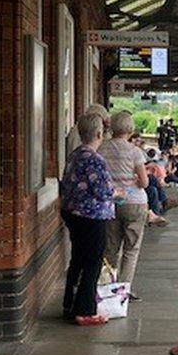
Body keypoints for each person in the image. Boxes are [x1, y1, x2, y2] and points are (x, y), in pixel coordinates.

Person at [60, 113, 116, 326]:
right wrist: (116, 192)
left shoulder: (74, 155)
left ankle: (70, 304)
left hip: (73, 214)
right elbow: (103, 191)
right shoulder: (94, 158)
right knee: (92, 263)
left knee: (77, 260)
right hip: (91, 217)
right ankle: (85, 310)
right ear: (99, 133)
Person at [97, 111, 149, 302]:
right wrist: (134, 179)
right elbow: (144, 183)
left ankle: (107, 286)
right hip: (134, 203)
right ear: (130, 129)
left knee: (111, 248)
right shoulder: (135, 151)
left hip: (111, 203)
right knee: (131, 249)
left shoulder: (101, 148)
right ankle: (123, 289)